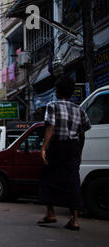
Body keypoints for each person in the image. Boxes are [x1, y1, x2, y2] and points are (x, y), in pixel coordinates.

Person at [37, 75, 91, 231]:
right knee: (73, 181)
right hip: (73, 147)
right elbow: (82, 134)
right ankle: (74, 220)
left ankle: (51, 213)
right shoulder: (79, 109)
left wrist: (44, 148)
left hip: (56, 146)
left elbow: (51, 127)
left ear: (57, 91)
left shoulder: (52, 105)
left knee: (47, 177)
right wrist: (79, 153)